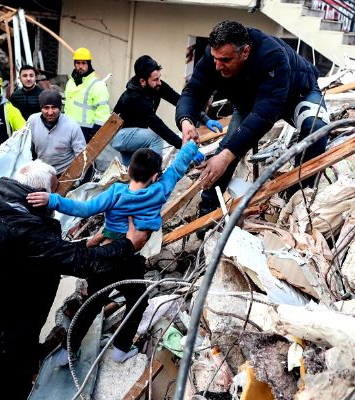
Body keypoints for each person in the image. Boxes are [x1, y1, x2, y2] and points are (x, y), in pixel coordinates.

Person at [0, 159, 150, 399]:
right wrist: (128, 244)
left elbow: (49, 254)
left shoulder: (7, 211)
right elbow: (81, 263)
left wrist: (86, 243)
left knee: (16, 390)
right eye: (53, 191)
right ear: (38, 194)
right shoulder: (23, 226)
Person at [27, 139, 199, 365]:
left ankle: (68, 352)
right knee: (138, 301)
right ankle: (121, 349)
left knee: (91, 303)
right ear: (156, 175)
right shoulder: (160, 190)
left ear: (128, 170)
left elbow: (85, 209)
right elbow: (177, 167)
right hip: (130, 258)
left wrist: (52, 200)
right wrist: (191, 146)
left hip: (107, 256)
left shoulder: (116, 192)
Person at [175, 20, 329, 220]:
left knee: (317, 129)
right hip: (251, 101)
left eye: (225, 60)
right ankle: (208, 211)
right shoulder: (214, 57)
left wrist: (229, 154)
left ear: (245, 52)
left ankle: (297, 199)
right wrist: (186, 121)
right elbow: (193, 91)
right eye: (215, 58)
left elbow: (265, 114)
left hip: (297, 94)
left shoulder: (273, 56)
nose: (218, 66)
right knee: (228, 148)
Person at [112, 55, 218, 165]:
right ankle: (156, 173)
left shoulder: (157, 86)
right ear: (143, 81)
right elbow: (159, 127)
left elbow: (180, 101)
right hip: (120, 135)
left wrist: (205, 119)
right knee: (155, 138)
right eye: (155, 79)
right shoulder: (134, 97)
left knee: (132, 173)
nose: (159, 82)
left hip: (135, 134)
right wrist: (185, 148)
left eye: (159, 78)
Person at [29, 90, 86, 175]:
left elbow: (82, 157)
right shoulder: (32, 121)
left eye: (54, 107)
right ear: (41, 108)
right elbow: (25, 149)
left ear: (60, 108)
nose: (50, 112)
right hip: (42, 173)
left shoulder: (72, 126)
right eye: (46, 108)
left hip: (65, 174)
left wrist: (75, 180)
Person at [64, 47, 110, 142]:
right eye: (78, 63)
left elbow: (102, 114)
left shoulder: (97, 85)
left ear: (88, 64)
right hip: (68, 130)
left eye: (83, 63)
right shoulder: (70, 83)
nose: (80, 66)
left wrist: (93, 136)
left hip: (86, 131)